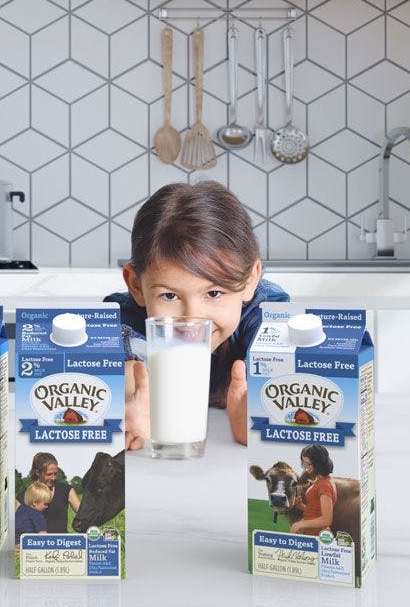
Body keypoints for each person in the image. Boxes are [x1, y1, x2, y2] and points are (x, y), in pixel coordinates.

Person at [105, 181, 290, 448]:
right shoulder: (124, 318)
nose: (192, 320)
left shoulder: (266, 313)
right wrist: (130, 400)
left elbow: (283, 378)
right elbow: (114, 372)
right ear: (136, 285)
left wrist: (264, 414)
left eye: (214, 294)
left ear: (250, 280)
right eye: (169, 296)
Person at [22, 452, 80, 533]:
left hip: (61, 542)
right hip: (35, 543)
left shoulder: (66, 489)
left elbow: (83, 513)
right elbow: (15, 520)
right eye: (49, 474)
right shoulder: (26, 491)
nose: (53, 478)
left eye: (55, 474)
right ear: (38, 472)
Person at [289, 444, 336, 536]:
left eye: (309, 464)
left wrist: (300, 524)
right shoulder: (320, 480)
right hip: (309, 533)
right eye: (304, 463)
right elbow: (317, 510)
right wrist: (302, 507)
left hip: (317, 535)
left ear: (319, 463)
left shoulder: (325, 485)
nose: (306, 468)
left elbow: (326, 520)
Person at [14, 481, 52, 546]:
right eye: (46, 504)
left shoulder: (19, 509)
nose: (47, 507)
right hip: (27, 548)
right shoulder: (37, 515)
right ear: (35, 503)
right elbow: (43, 536)